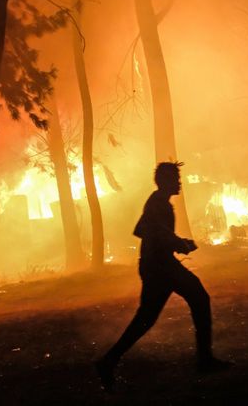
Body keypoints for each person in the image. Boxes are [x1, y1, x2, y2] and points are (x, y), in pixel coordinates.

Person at [96, 161, 231, 391]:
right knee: (197, 297)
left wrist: (173, 240)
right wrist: (178, 243)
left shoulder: (156, 201)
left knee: (147, 318)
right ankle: (204, 360)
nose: (179, 183)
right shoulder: (160, 204)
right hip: (161, 267)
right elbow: (154, 232)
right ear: (166, 181)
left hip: (156, 265)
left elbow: (141, 230)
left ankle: (108, 361)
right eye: (176, 179)